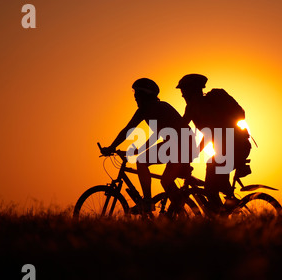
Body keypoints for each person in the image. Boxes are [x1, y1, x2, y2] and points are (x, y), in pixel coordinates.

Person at [100, 78, 194, 213]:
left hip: (179, 145)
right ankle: (177, 211)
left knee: (142, 161)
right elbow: (145, 133)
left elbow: (130, 131)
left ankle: (147, 202)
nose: (135, 99)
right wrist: (134, 149)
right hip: (180, 145)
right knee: (166, 181)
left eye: (137, 95)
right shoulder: (150, 109)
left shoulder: (154, 108)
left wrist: (112, 148)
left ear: (145, 95)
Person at [176, 74, 252, 209]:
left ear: (193, 90)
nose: (182, 95)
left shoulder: (200, 107)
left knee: (211, 186)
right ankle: (225, 207)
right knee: (212, 180)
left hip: (236, 147)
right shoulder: (195, 107)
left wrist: (190, 153)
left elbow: (206, 133)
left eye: (184, 91)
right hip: (231, 149)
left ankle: (220, 217)